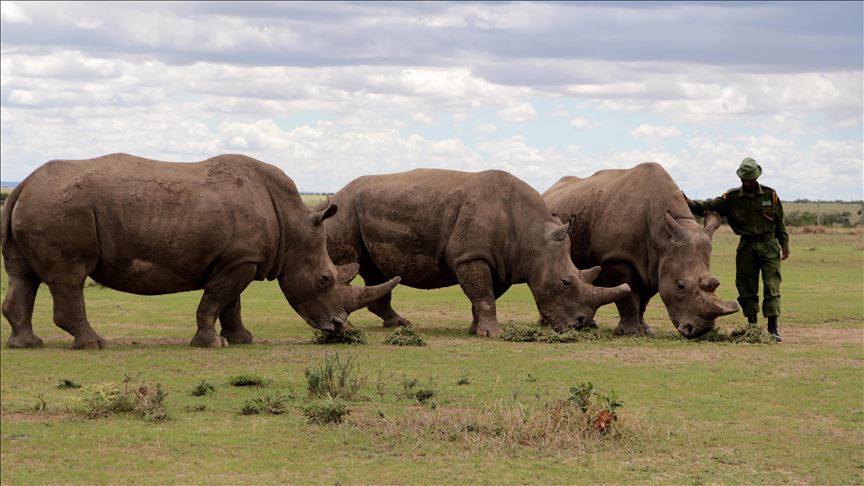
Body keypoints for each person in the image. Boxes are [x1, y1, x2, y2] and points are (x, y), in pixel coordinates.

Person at [685, 157, 790, 341]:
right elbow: (708, 206)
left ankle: (773, 329)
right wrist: (688, 202)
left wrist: (785, 244)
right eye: (744, 179)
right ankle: (752, 326)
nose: (746, 182)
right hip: (746, 246)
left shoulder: (769, 195)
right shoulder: (731, 198)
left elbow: (779, 222)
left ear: (756, 177)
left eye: (749, 179)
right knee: (746, 286)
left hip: (769, 245)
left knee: (772, 286)